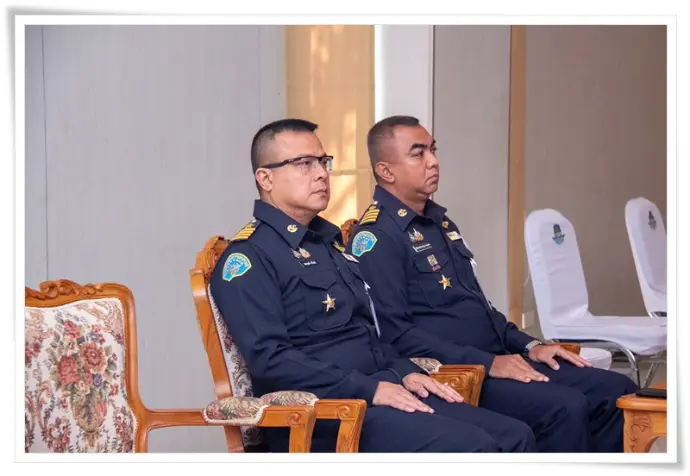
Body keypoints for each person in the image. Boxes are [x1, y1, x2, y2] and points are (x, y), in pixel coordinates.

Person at [209, 118, 537, 453]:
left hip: (376, 391)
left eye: (323, 161)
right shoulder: (249, 258)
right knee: (474, 446)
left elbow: (366, 334)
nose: (321, 174)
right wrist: (369, 389)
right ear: (265, 178)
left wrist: (403, 371)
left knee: (514, 435)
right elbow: (272, 361)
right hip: (322, 414)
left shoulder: (326, 243)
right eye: (304, 163)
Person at [348, 115, 638, 453]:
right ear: (386, 171)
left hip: (496, 356)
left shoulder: (439, 223)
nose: (433, 161)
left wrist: (530, 345)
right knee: (566, 406)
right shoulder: (378, 236)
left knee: (615, 390)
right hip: (457, 370)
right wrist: (489, 364)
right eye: (418, 153)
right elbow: (395, 333)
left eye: (433, 150)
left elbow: (480, 309)